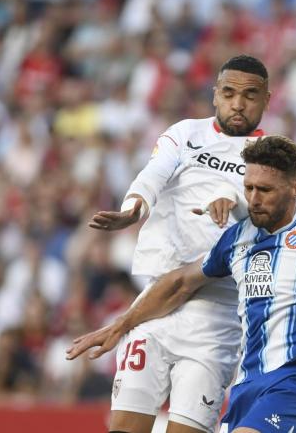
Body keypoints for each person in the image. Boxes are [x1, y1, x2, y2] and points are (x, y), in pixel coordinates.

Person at [68, 135, 296, 433]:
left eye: (265, 190)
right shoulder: (239, 238)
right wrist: (121, 324)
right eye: (248, 187)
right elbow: (180, 283)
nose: (253, 199)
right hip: (247, 386)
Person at [68, 55, 271, 433]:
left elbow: (265, 206)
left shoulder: (273, 153)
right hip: (156, 304)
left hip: (217, 317)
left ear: (266, 100)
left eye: (250, 95)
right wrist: (134, 207)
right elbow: (155, 171)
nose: (238, 104)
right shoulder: (185, 133)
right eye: (229, 94)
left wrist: (234, 201)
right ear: (215, 95)